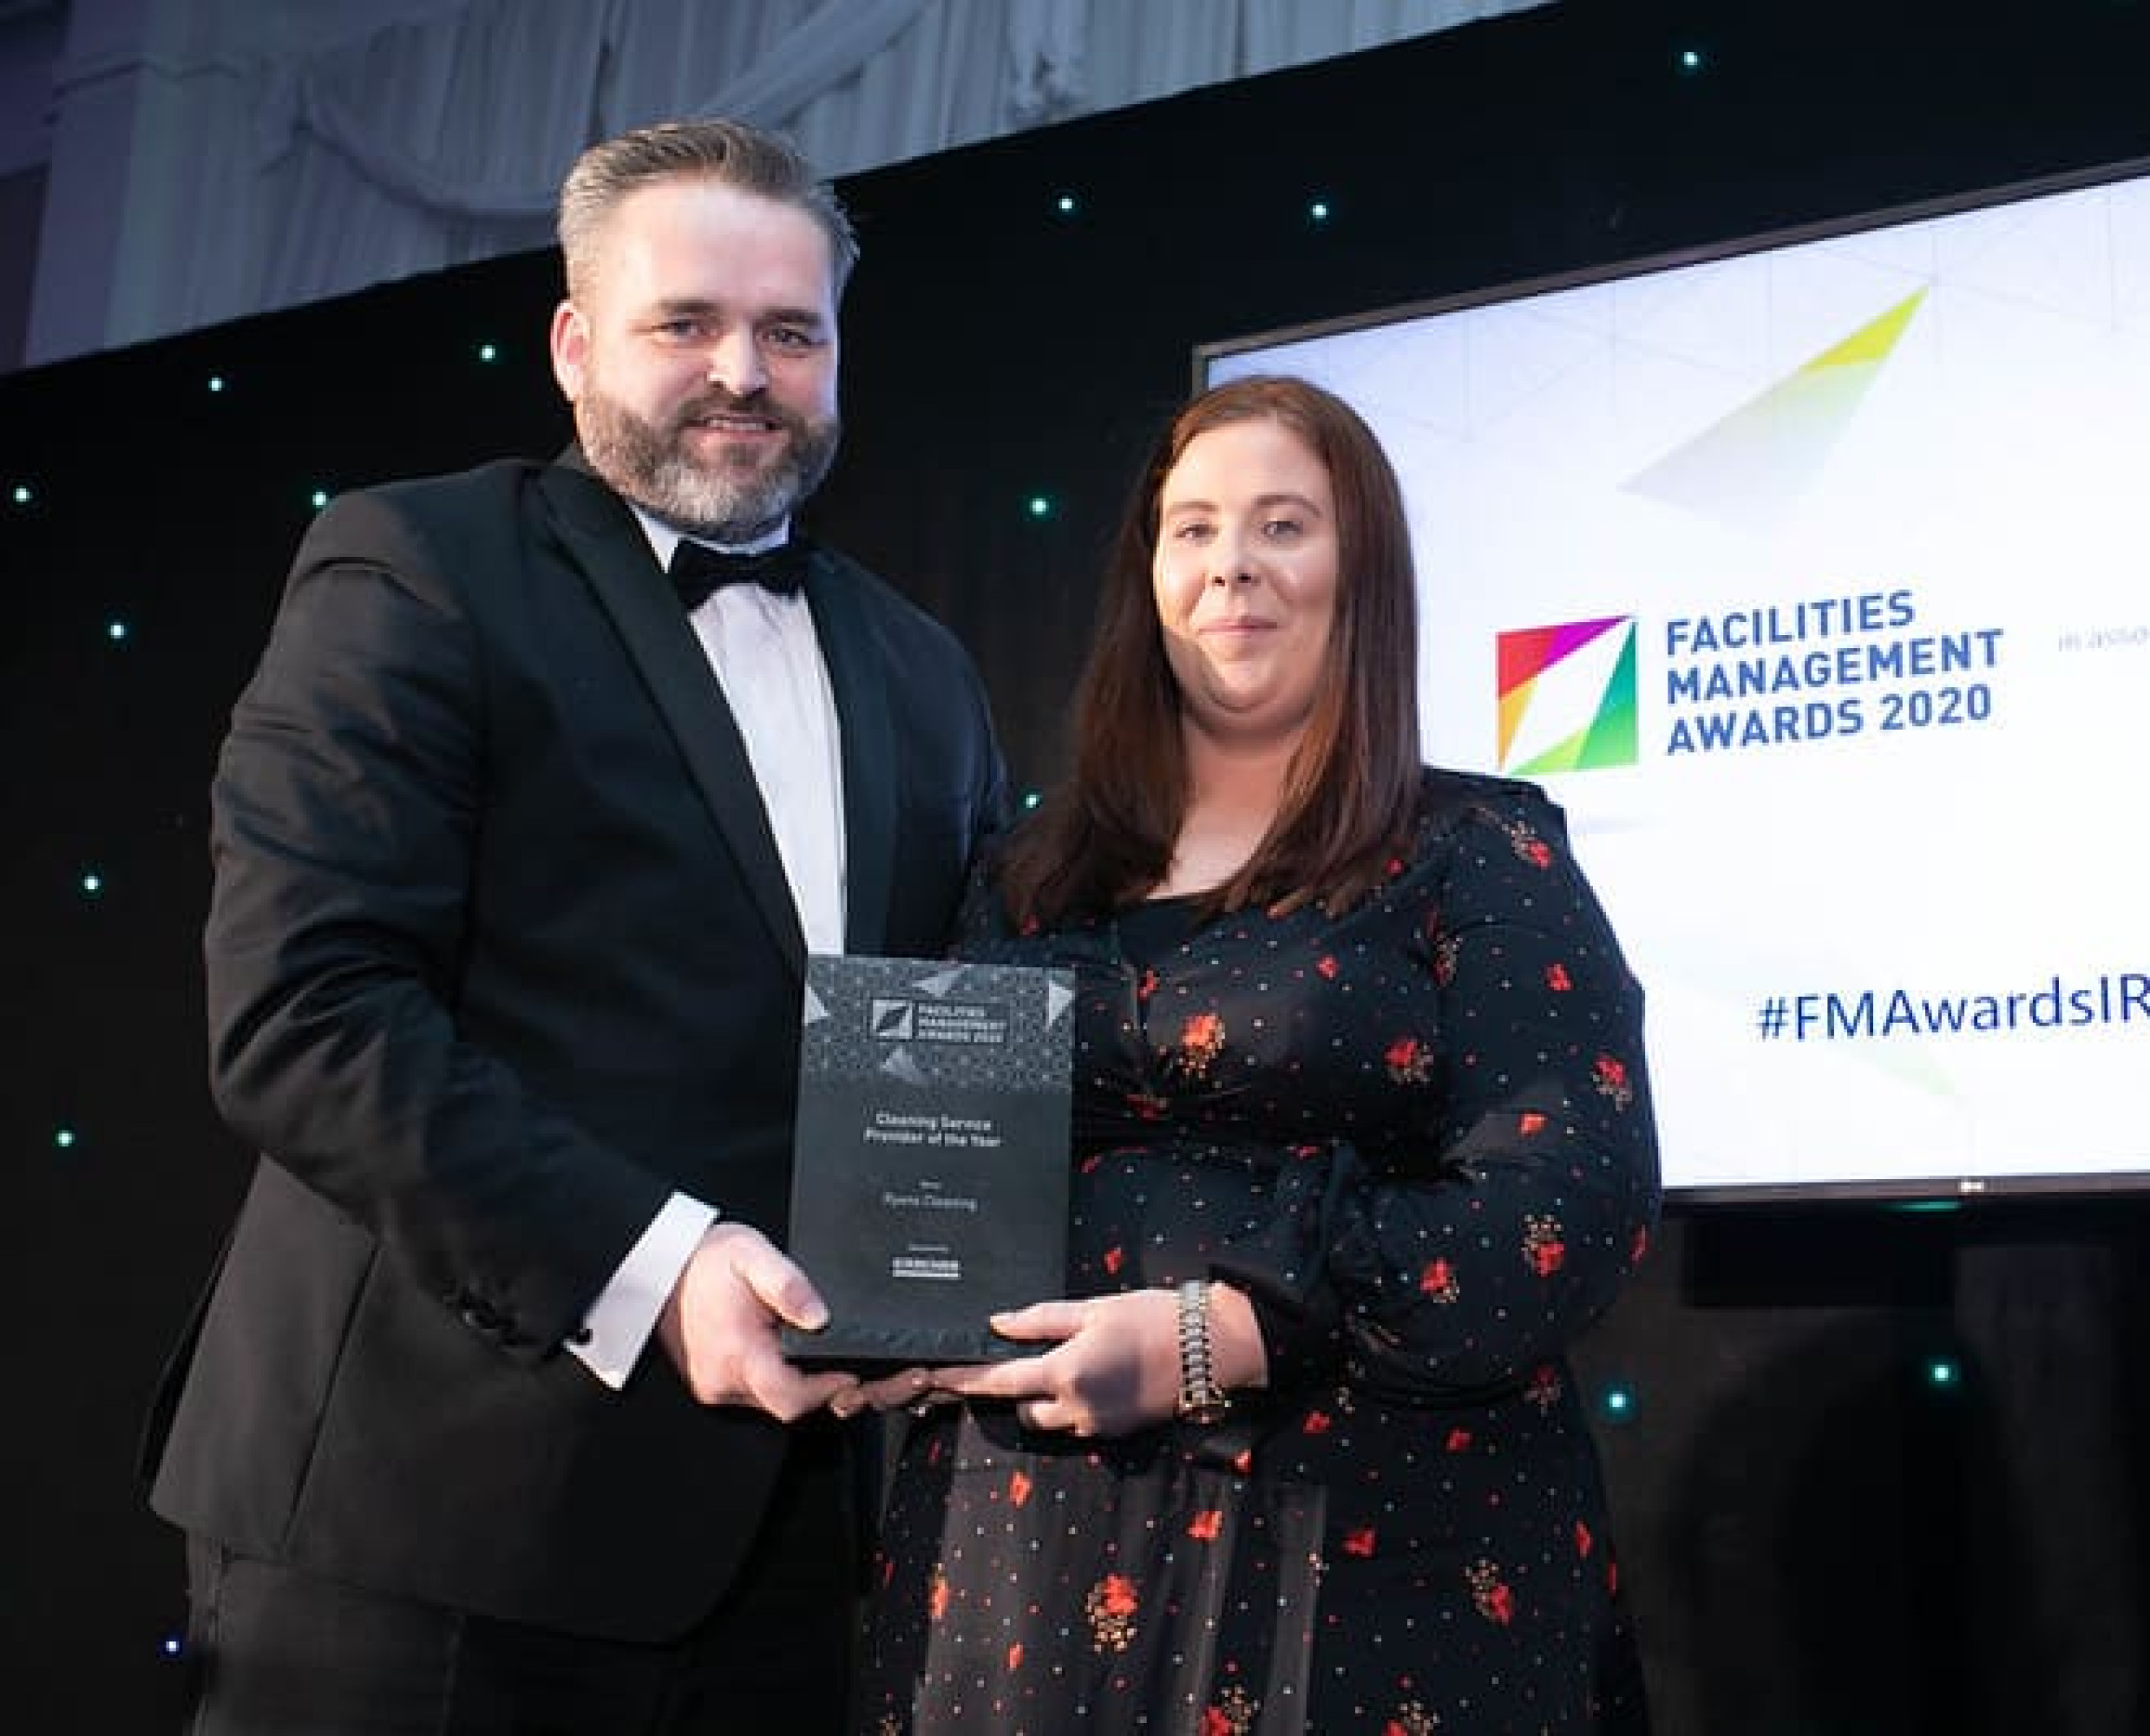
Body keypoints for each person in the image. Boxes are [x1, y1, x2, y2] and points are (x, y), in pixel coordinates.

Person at [142, 118, 1009, 1733]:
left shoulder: (924, 667)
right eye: (687, 322)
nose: (742, 371)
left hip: (796, 1542)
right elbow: (305, 1015)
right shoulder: (416, 565)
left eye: (792, 331)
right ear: (573, 343)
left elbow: (950, 1027)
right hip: (425, 1520)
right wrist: (659, 1266)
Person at [849, 375, 1662, 1732]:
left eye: (1284, 525)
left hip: (1374, 1556)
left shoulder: (1480, 855)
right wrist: (872, 1301)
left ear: (1363, 572)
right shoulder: (1020, 881)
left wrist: (1216, 1334)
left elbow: (1567, 1205)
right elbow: (922, 1183)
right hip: (1018, 1564)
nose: (1233, 564)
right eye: (1196, 529)